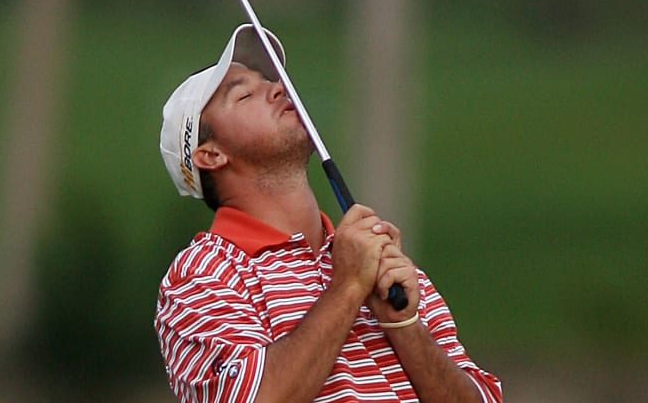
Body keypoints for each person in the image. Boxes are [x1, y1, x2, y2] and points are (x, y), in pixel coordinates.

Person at [156, 24, 502, 403]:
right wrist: (348, 287)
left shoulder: (376, 258)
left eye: (269, 80)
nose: (278, 87)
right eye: (244, 95)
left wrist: (403, 325)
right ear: (210, 155)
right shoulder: (201, 274)